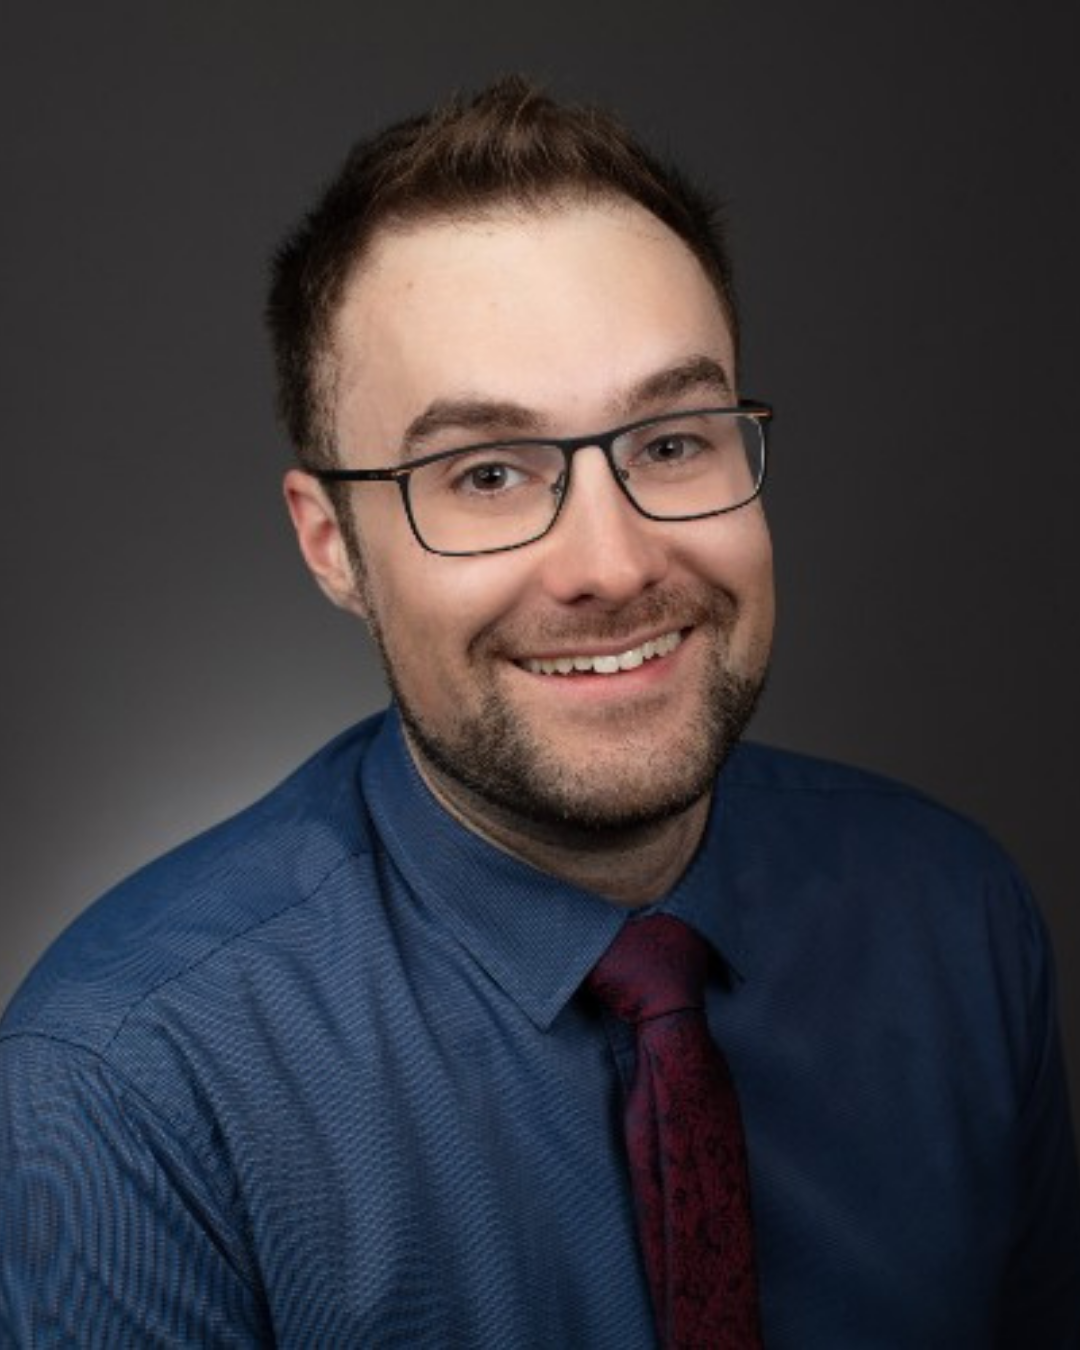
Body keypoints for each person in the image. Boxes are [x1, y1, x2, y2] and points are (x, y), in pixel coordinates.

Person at [2, 77, 1078, 1349]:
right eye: (489, 474)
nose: (613, 567)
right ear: (331, 545)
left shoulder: (954, 917)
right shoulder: (121, 1084)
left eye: (673, 442)